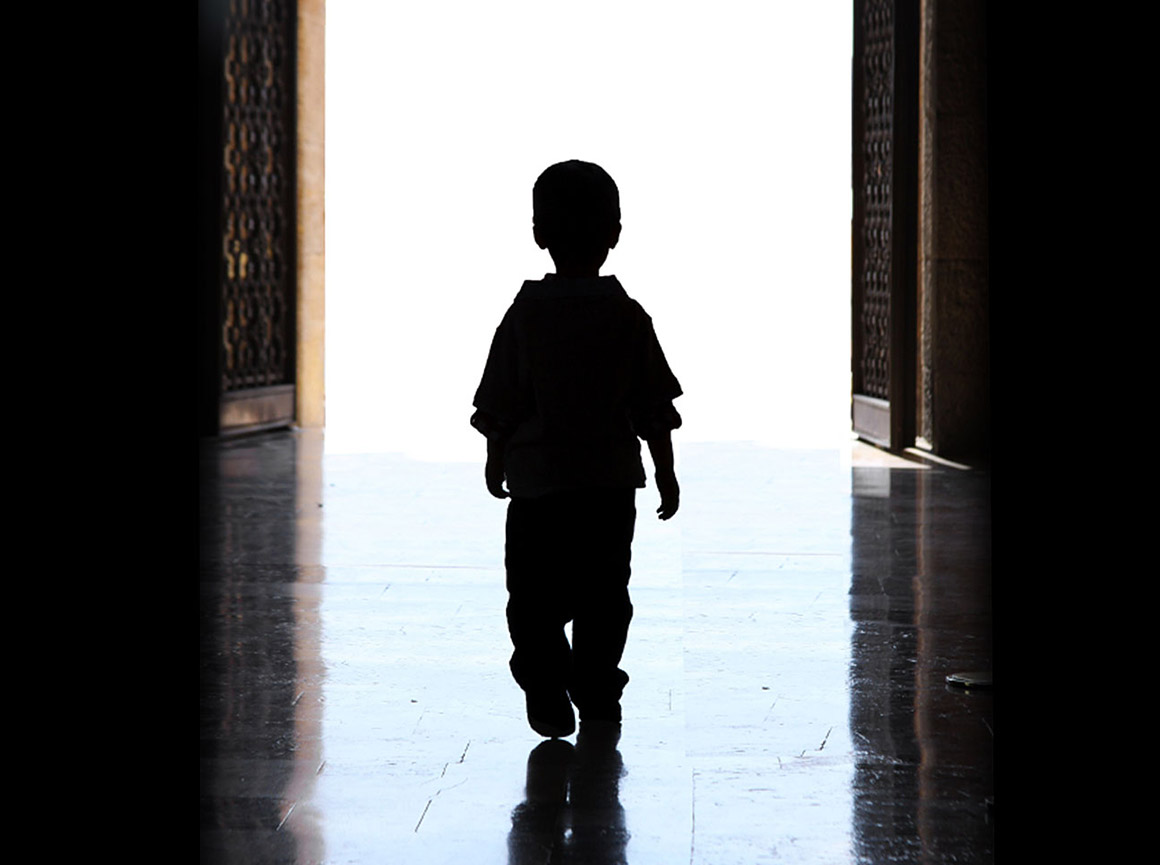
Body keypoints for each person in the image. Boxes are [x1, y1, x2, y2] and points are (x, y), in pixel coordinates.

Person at [471, 159, 683, 738]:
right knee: (604, 594)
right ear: (615, 233)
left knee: (532, 598)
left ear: (539, 233)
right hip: (608, 486)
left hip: (538, 488)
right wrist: (665, 471)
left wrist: (496, 458)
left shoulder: (524, 318)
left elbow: (503, 402)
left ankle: (545, 682)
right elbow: (652, 406)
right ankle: (594, 686)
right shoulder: (626, 317)